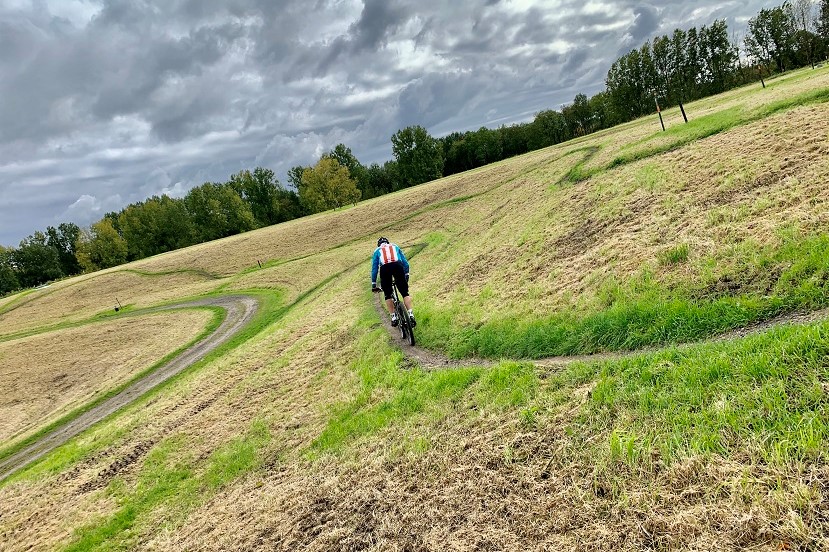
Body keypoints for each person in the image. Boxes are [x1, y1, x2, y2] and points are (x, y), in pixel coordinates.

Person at [371, 237, 415, 327]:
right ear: (388, 242)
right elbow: (405, 263)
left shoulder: (377, 250)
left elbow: (374, 269)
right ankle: (411, 314)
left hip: (385, 268)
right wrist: (406, 274)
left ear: (379, 245)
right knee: (405, 293)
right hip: (397, 266)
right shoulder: (395, 246)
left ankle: (393, 317)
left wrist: (374, 284)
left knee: (387, 294)